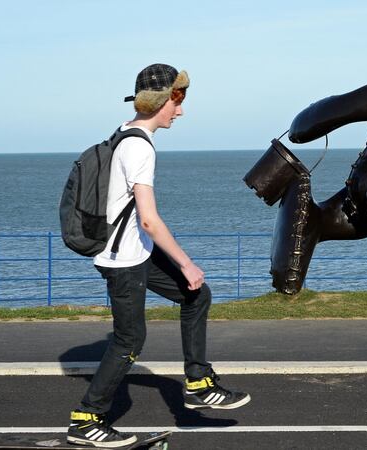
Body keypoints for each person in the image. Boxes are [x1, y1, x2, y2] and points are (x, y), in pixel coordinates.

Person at [67, 64, 250, 448]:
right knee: (129, 341)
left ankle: (198, 382)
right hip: (123, 261)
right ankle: (87, 419)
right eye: (176, 102)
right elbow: (149, 220)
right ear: (159, 102)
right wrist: (186, 262)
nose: (180, 112)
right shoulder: (139, 147)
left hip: (136, 253)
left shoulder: (125, 134)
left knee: (197, 295)